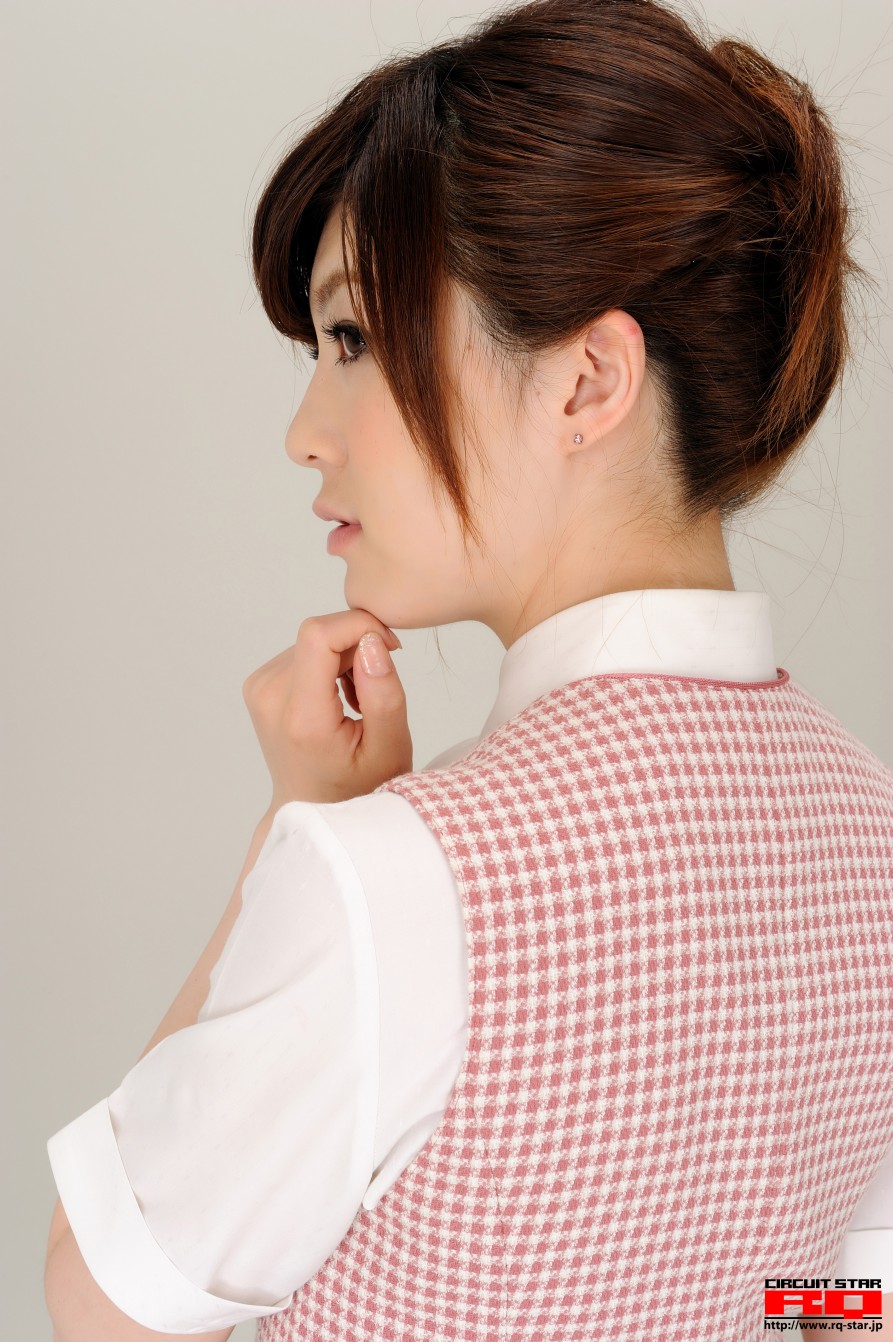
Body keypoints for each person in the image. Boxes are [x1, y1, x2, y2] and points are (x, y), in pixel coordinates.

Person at [44, 0, 893, 1338]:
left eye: (352, 338)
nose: (305, 431)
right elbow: (845, 1303)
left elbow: (107, 1299)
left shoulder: (398, 881)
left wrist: (303, 827)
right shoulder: (873, 829)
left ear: (586, 382)